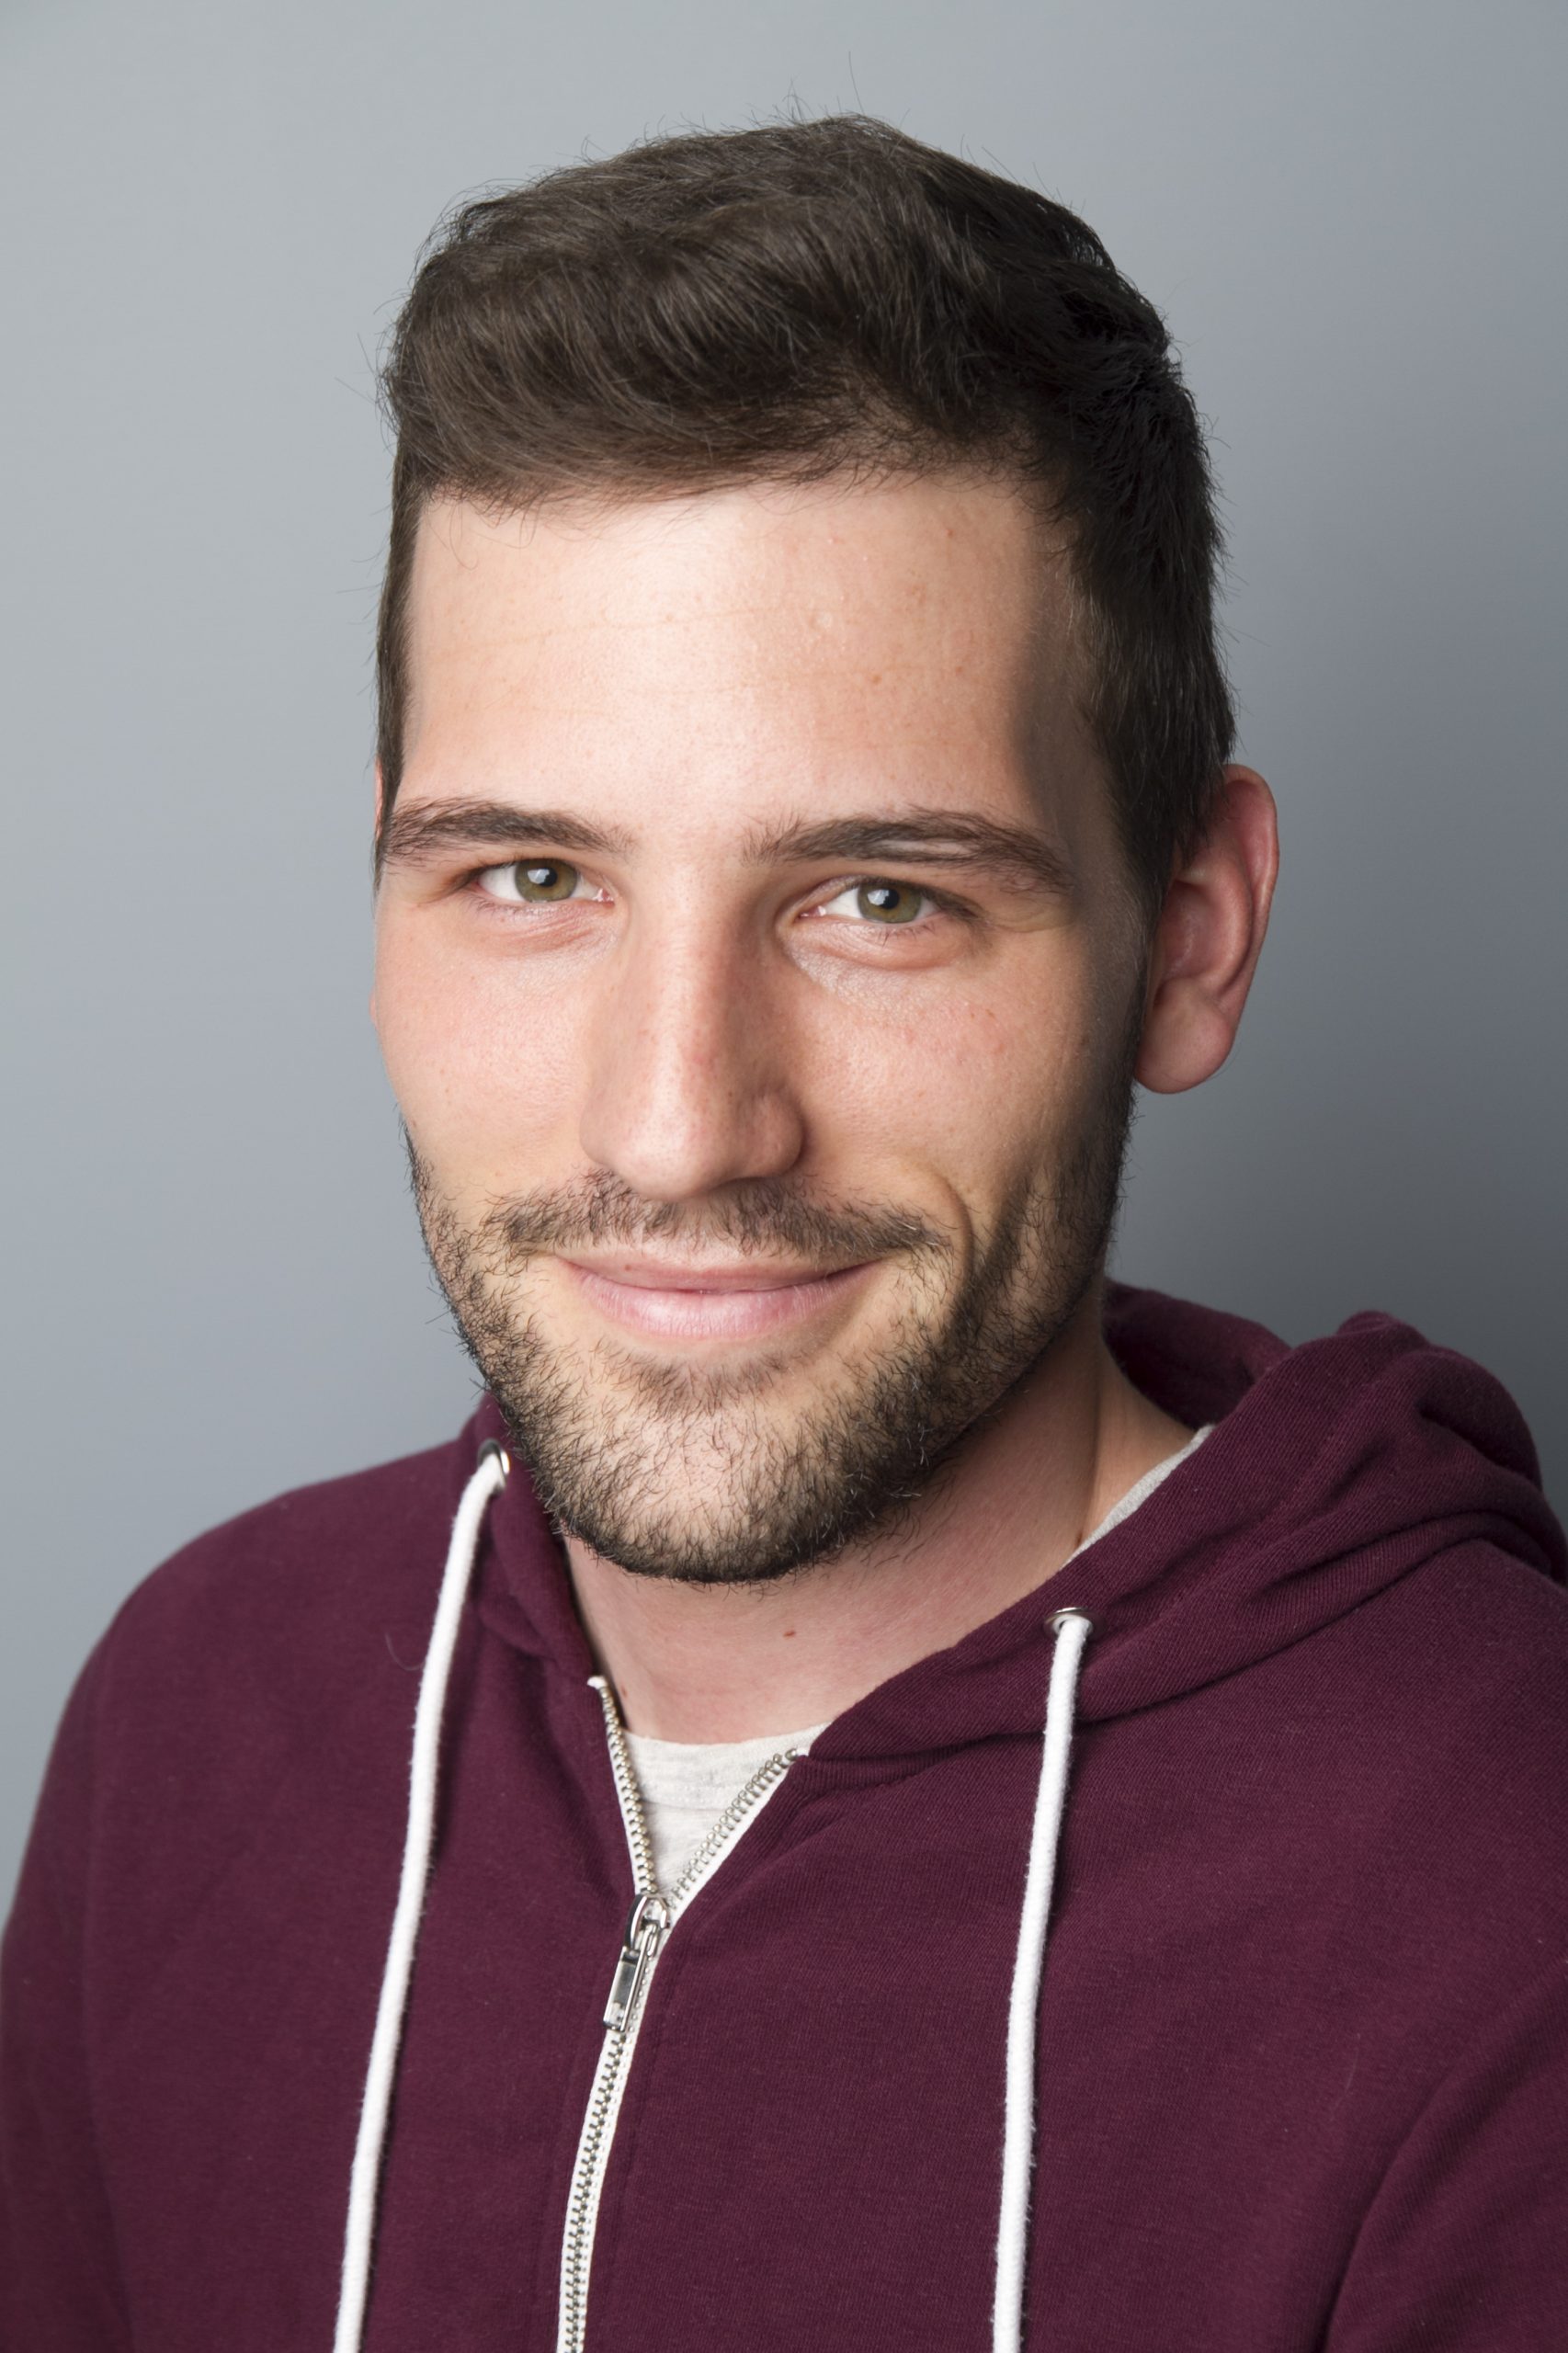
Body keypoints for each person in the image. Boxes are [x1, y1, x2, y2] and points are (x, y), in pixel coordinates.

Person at [3, 114, 1564, 2353]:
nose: (678, 1122)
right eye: (531, 876)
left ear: (1189, 936)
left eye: (878, 896)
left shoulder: (1507, 1904)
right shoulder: (193, 1718)